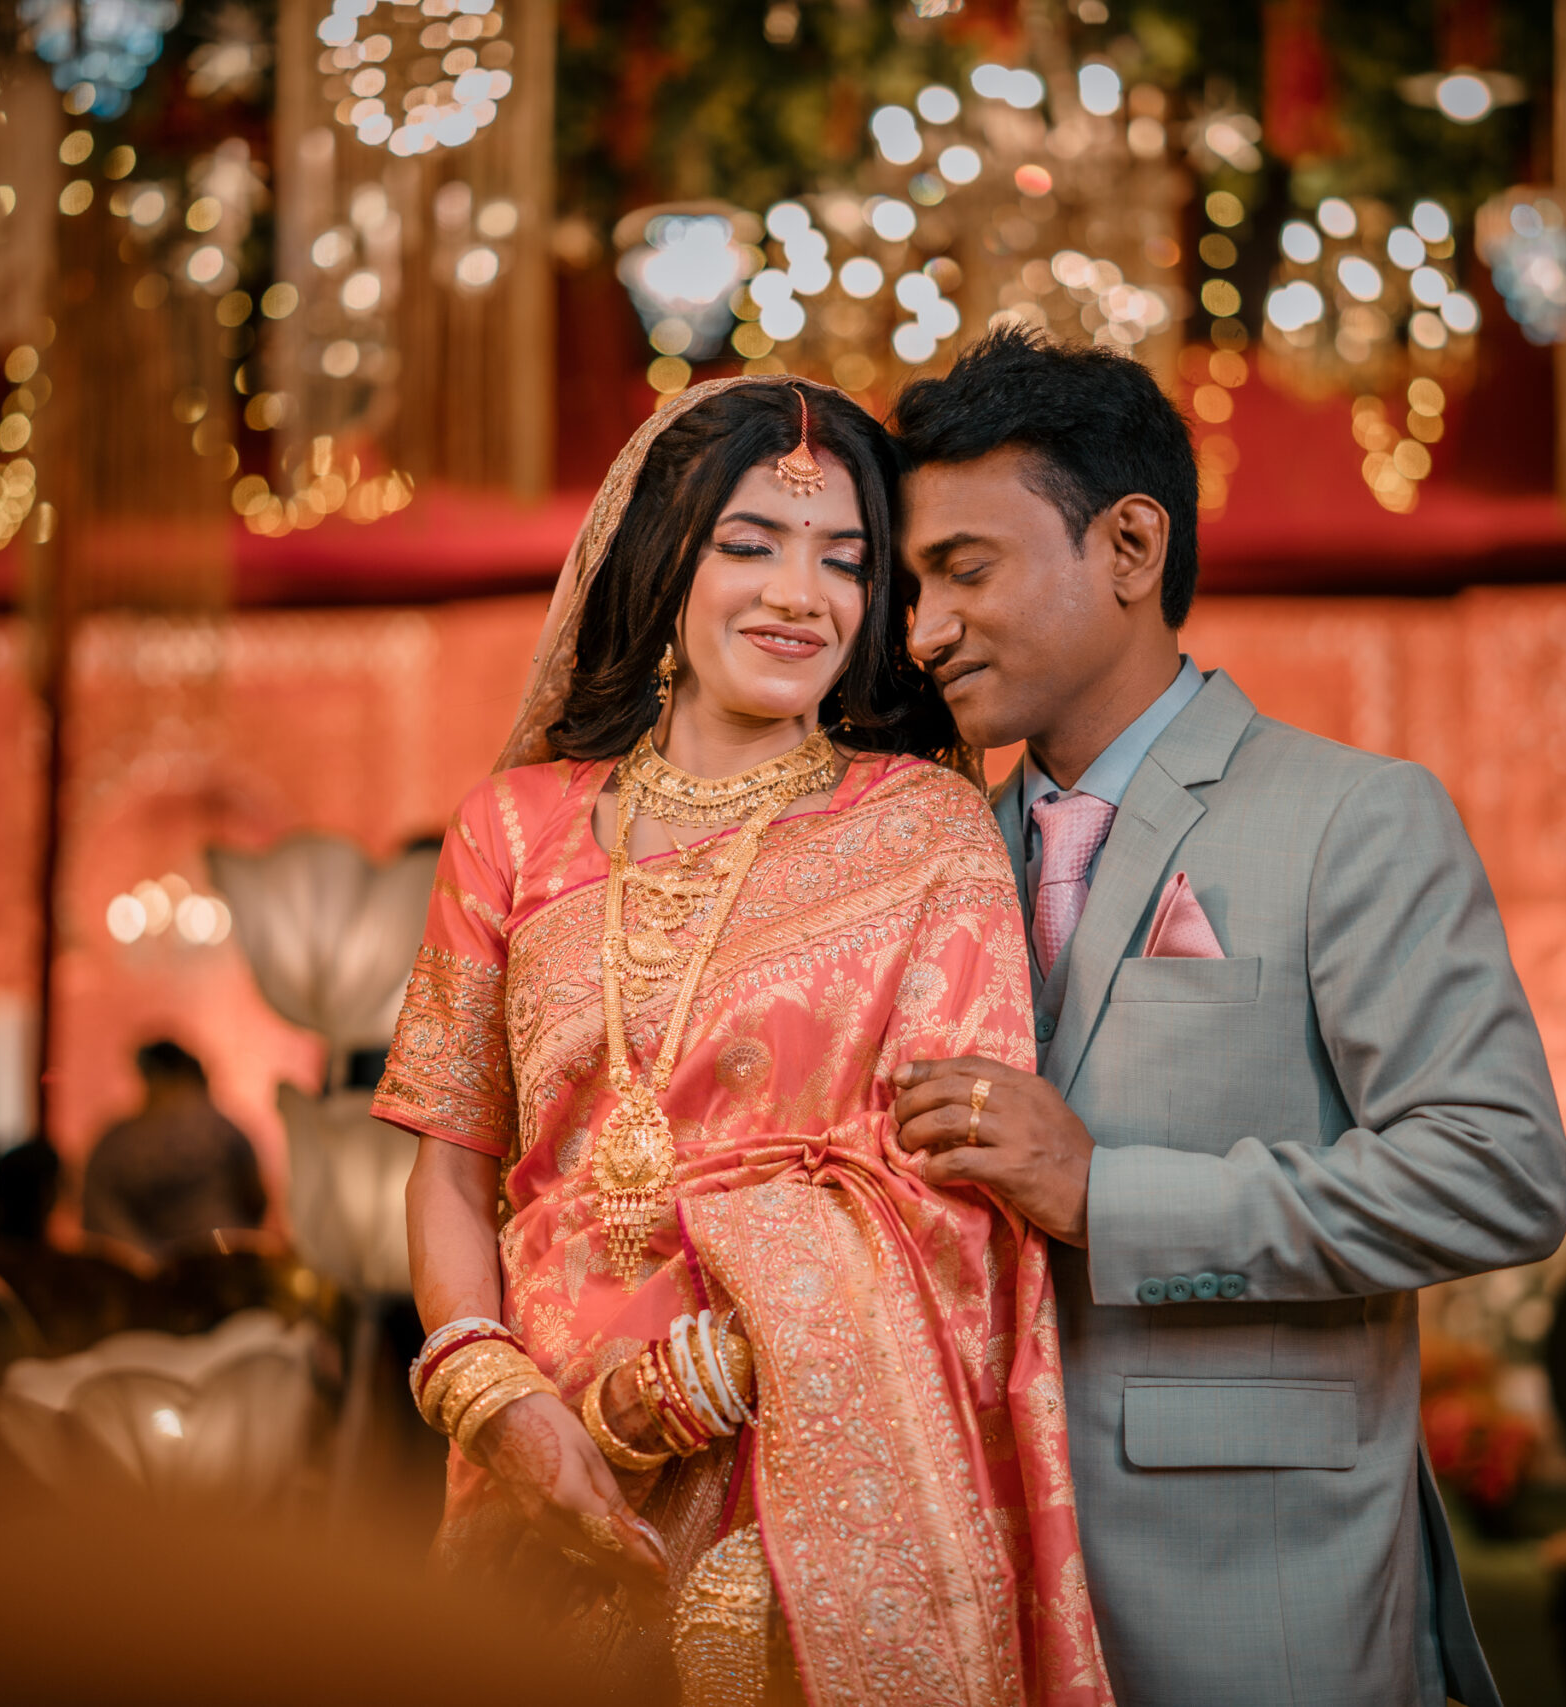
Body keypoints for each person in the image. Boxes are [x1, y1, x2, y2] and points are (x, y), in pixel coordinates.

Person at [373, 377, 1108, 1706]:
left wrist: (691, 1381)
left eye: (846, 561)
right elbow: (451, 1155)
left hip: (791, 1460)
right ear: (667, 557)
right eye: (752, 543)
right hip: (535, 1449)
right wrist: (490, 1394)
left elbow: (946, 1192)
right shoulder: (511, 829)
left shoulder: (922, 830)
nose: (799, 596)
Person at [888, 330, 1566, 1707]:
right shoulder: (925, 855)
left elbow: (1500, 1173)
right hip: (972, 1599)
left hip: (1261, 1596)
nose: (923, 630)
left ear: (1130, 546)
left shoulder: (1352, 817)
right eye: (911, 586)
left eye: (964, 570)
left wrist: (1109, 1196)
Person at [80, 1040, 267, 1258]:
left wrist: (145, 1261)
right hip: (222, 1262)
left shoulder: (114, 1143)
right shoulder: (224, 1129)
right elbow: (255, 1199)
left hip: (144, 1267)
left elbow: (100, 1220)